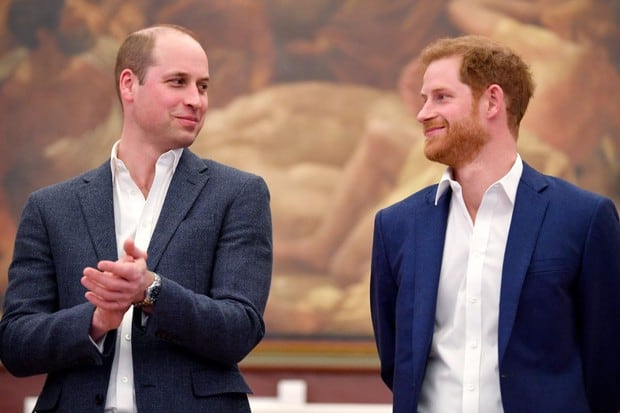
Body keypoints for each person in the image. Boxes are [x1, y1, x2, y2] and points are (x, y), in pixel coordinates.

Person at [0, 23, 272, 413]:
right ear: (129, 84)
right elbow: (15, 345)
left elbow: (240, 329)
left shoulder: (238, 194)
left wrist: (152, 291)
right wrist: (95, 321)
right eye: (178, 82)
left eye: (203, 86)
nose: (196, 99)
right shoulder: (51, 207)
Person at [370, 35, 620, 413]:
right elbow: (397, 361)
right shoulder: (396, 226)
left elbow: (607, 366)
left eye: (440, 97)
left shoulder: (583, 218)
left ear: (491, 101)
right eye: (424, 99)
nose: (422, 113)